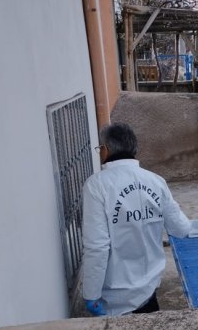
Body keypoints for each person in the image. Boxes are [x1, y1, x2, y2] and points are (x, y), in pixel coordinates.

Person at [81, 122, 191, 316]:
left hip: (114, 300)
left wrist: (91, 293)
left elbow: (97, 246)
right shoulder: (156, 181)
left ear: (105, 150)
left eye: (100, 149)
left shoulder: (96, 186)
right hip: (149, 291)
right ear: (134, 149)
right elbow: (181, 229)